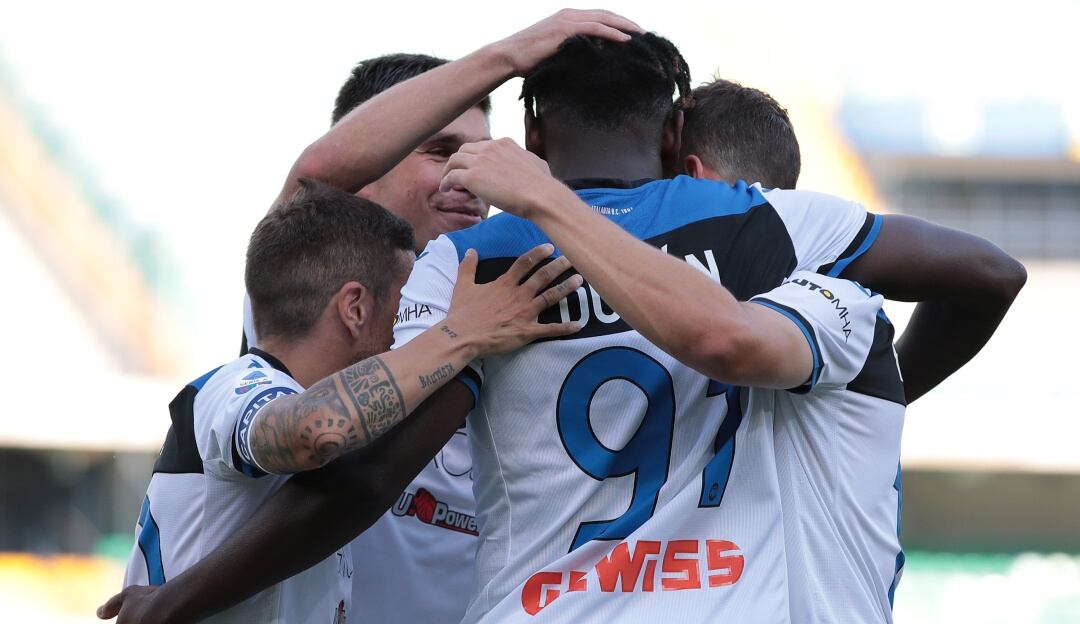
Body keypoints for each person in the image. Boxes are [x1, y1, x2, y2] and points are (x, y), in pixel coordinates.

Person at [100, 10, 642, 624]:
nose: (472, 177)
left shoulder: (511, 306)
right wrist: (509, 55)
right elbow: (318, 435)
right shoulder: (306, 296)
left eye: (484, 154)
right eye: (440, 151)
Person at [120, 178, 580, 623]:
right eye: (407, 305)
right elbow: (314, 430)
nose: (415, 325)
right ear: (355, 308)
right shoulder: (237, 384)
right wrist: (460, 334)